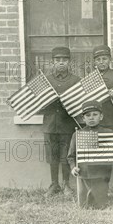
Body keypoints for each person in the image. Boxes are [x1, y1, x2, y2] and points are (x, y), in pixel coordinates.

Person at [42, 46, 81, 197]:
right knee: (52, 156)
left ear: (69, 62)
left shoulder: (76, 80)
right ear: (53, 62)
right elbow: (39, 103)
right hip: (50, 124)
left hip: (67, 124)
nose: (61, 63)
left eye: (64, 60)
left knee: (66, 156)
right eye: (57, 60)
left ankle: (66, 184)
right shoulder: (46, 80)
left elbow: (79, 103)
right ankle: (54, 184)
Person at [68, 100, 113, 209]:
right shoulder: (77, 134)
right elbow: (71, 156)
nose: (91, 118)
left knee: (100, 205)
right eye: (88, 115)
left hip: (101, 174)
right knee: (84, 206)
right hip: (84, 174)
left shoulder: (108, 133)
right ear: (83, 118)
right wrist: (73, 167)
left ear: (101, 116)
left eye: (95, 115)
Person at [92, 45, 113, 131]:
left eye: (104, 59)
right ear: (94, 62)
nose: (101, 62)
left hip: (112, 117)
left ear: (110, 60)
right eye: (98, 60)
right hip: (95, 119)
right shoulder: (91, 78)